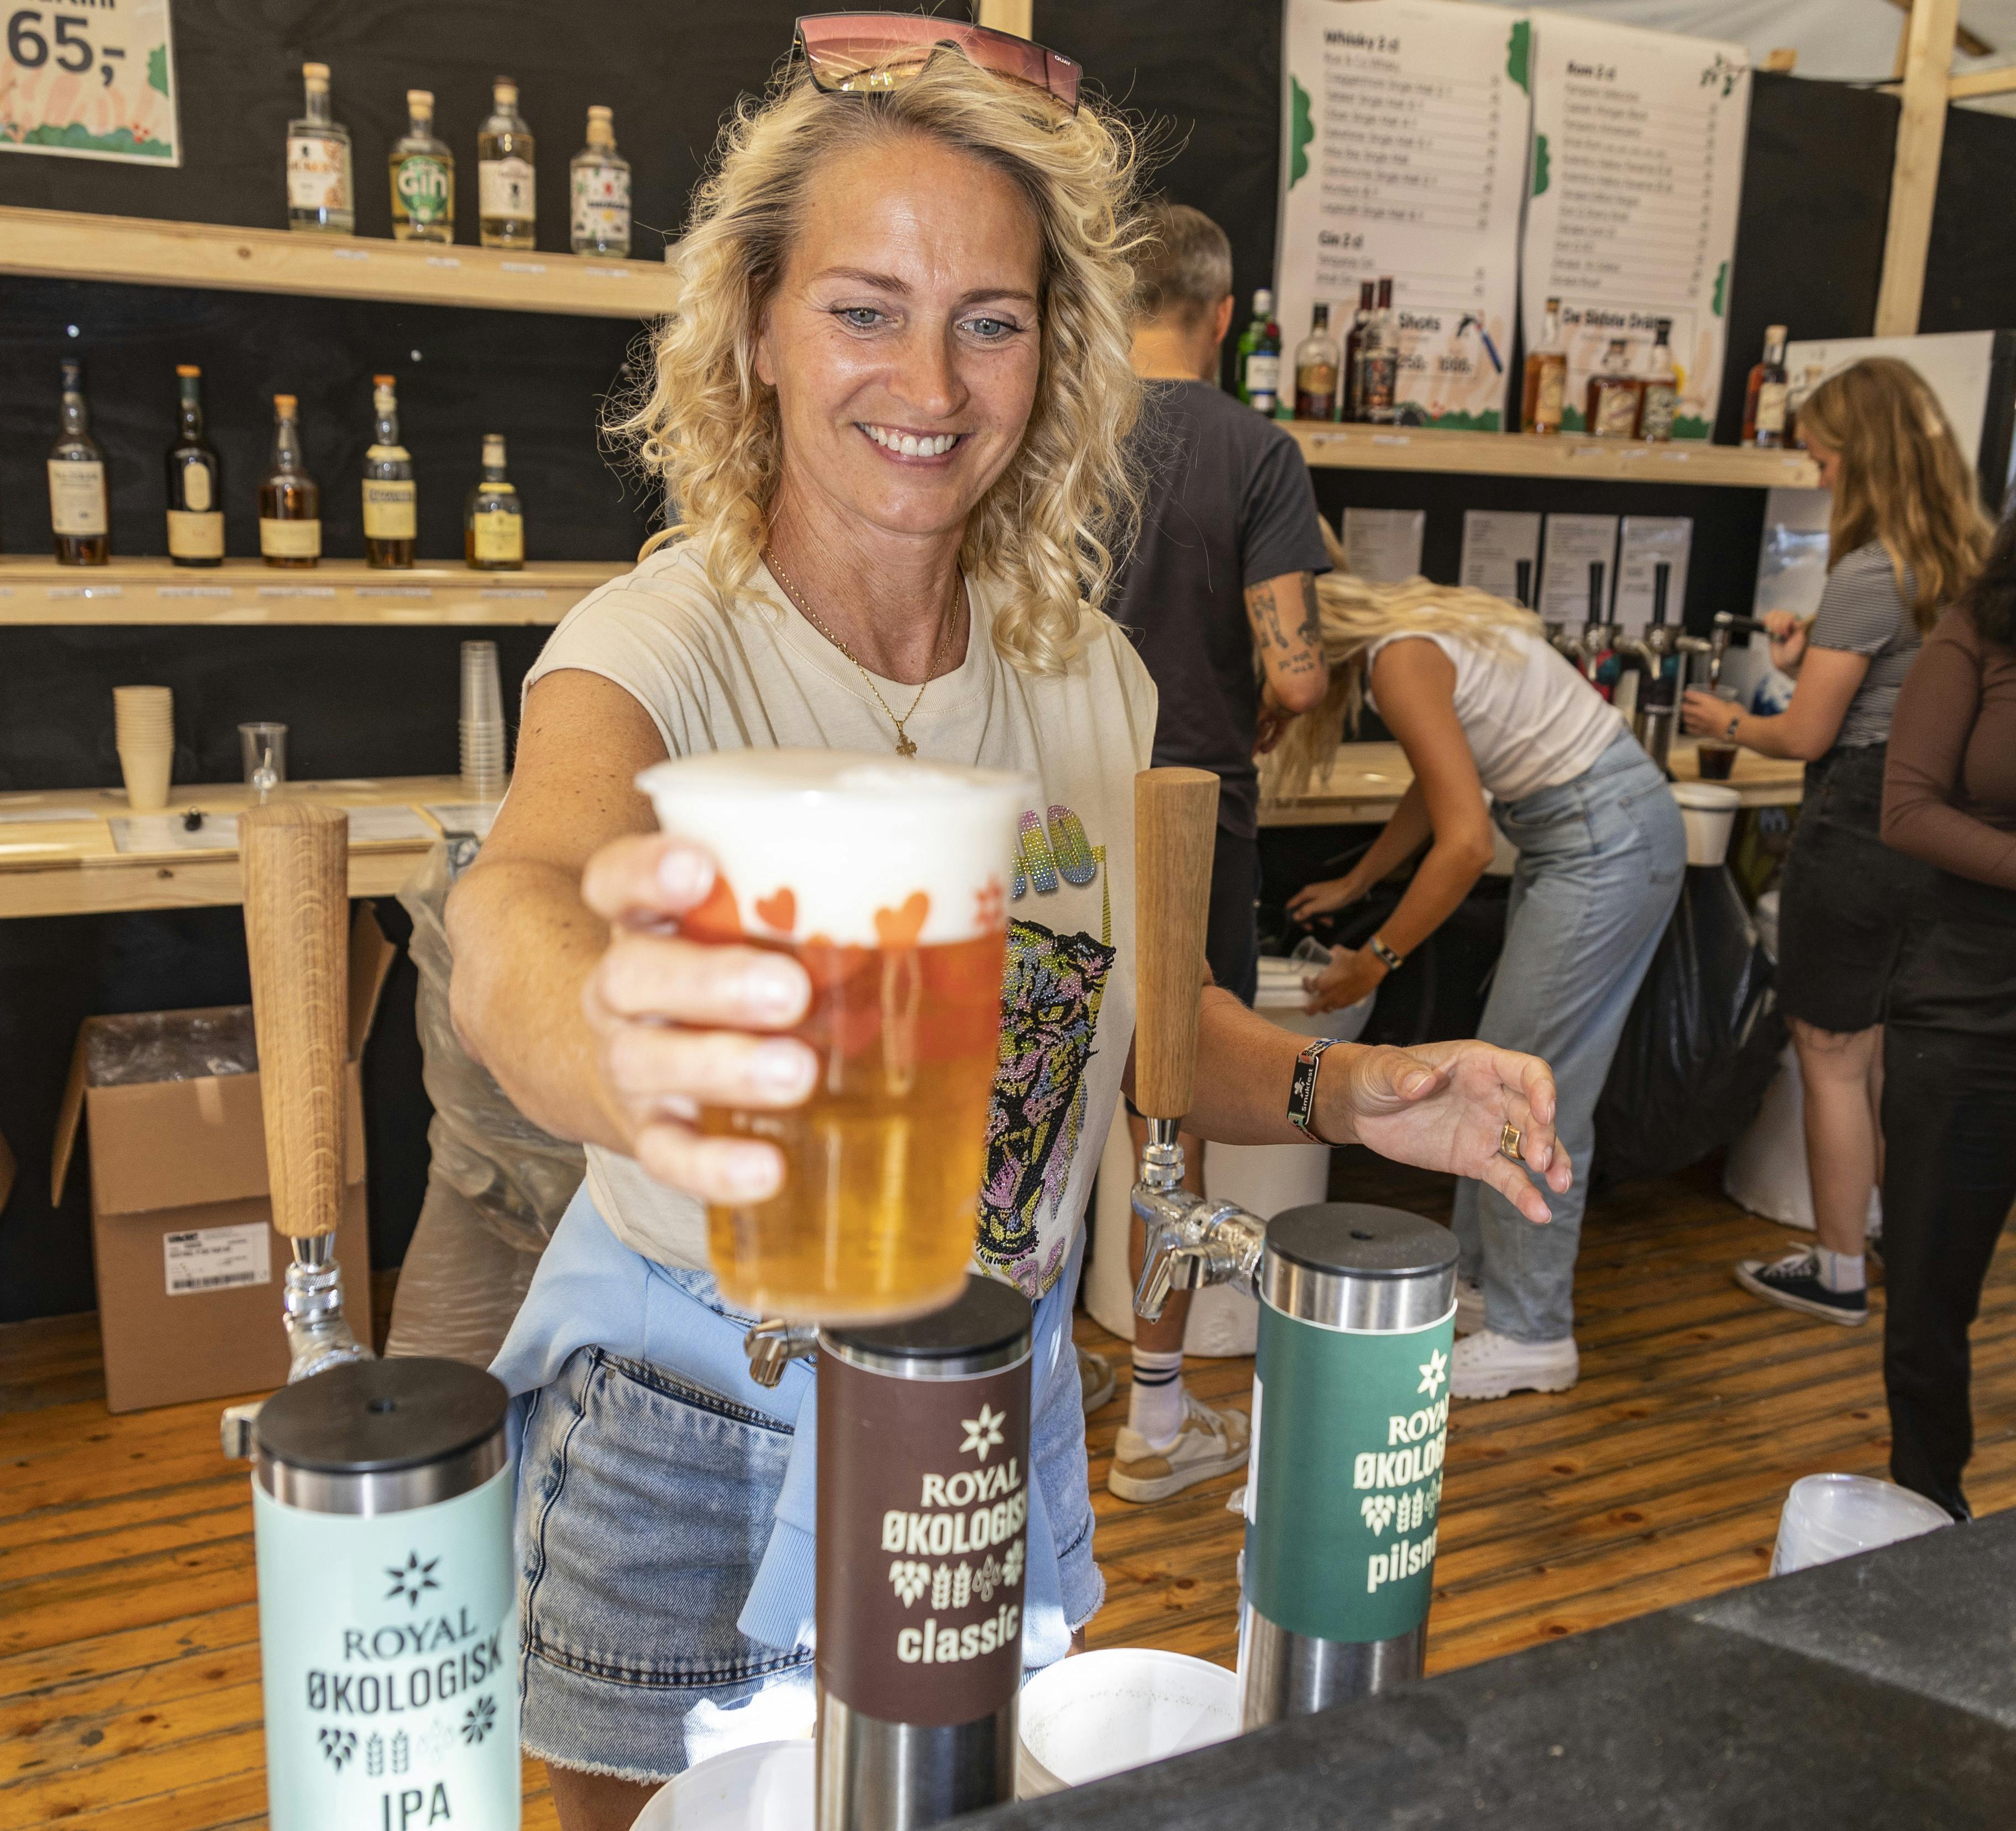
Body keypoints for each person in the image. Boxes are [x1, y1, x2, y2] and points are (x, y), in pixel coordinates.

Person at [445, 29, 1570, 1828]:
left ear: (1053, 352)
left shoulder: (1081, 683)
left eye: (989, 316)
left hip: (980, 1406)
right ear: (753, 326)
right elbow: (518, 904)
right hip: (695, 1420)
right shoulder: (663, 640)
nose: (930, 377)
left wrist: (1354, 1093)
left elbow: (1140, 1035)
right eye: (862, 308)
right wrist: (611, 1042)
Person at [1286, 530, 1685, 1399]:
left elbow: (1466, 842)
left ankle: (1532, 1330)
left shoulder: (1399, 661)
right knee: (1506, 1067)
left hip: (1599, 839)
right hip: (1588, 830)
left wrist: (1378, 958)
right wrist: (1358, 878)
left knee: (1532, 1089)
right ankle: (1488, 1294)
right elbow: (1439, 787)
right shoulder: (1410, 632)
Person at [1682, 357, 1990, 1327]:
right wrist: (1803, 655)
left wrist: (1726, 718)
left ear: (1864, 453)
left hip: (1858, 828)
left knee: (1832, 1057)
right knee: (1896, 1054)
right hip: (1944, 826)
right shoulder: (1973, 563)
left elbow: (1809, 734)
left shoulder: (1867, 570)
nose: (1814, 470)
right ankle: (1893, 1239)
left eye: (1821, 451)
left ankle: (1839, 1271)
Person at [1107, 201, 1332, 1504]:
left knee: (1026, 1077)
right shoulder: (1256, 448)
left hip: (1045, 803)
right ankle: (1153, 1415)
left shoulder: (1053, 424)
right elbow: (1299, 681)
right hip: (1191, 814)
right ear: (1225, 316)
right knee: (1172, 1104)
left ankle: (1004, 1361)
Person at [1876, 507, 2016, 1519]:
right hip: (1969, 1014)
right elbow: (1909, 808)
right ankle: (1929, 1514)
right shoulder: (1975, 633)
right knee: (1931, 1295)